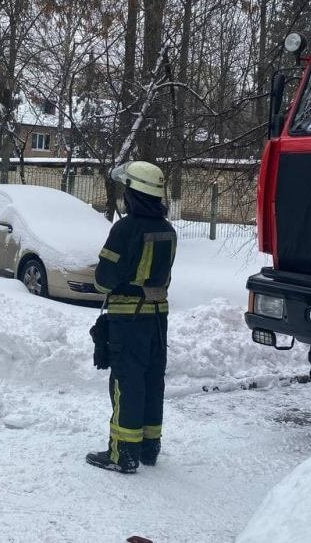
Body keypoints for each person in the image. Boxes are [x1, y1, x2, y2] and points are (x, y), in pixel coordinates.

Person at [86, 161, 176, 475]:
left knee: (127, 381)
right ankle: (149, 447)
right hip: (158, 319)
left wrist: (102, 280)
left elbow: (104, 278)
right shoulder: (167, 230)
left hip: (128, 319)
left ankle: (122, 453)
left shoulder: (125, 229)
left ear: (134, 192)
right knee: (153, 379)